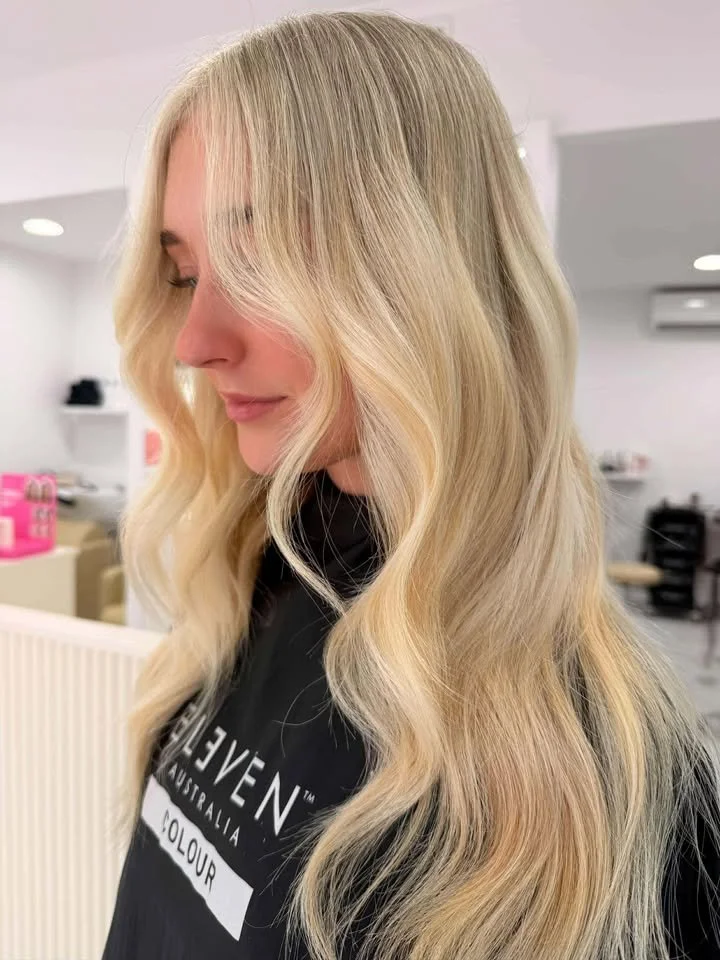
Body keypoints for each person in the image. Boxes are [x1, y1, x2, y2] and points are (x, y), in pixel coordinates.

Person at [102, 11, 720, 960]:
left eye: (262, 258)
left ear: (425, 270)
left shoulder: (610, 785)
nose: (194, 342)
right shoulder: (259, 578)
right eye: (186, 275)